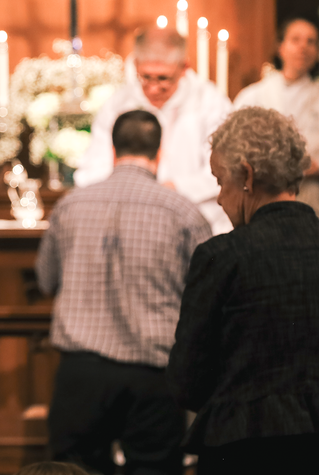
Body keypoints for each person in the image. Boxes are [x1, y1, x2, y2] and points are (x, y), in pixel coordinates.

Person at [168, 107, 319, 474]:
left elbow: (188, 381)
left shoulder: (221, 257)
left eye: (221, 180)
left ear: (247, 176)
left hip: (245, 454)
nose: (220, 198)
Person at [36, 110, 212, 475]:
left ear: (113, 149)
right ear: (158, 152)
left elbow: (45, 280)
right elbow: (205, 296)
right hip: (153, 373)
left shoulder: (70, 205)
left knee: (73, 469)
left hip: (81, 369)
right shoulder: (183, 212)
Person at [74, 27, 233, 235]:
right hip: (130, 224)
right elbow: (91, 170)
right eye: (146, 77)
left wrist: (168, 191)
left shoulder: (212, 104)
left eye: (163, 78)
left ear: (184, 67)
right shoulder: (118, 104)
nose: (153, 88)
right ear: (136, 65)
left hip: (197, 224)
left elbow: (225, 172)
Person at [233, 17, 319, 221]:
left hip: (313, 201)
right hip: (263, 200)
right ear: (281, 47)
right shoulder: (253, 97)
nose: (303, 47)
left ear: (318, 51)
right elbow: (233, 149)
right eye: (295, 39)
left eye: (311, 41)